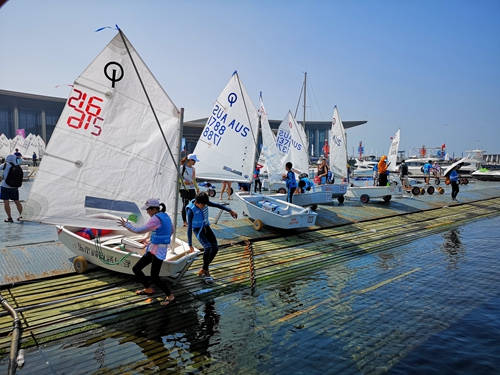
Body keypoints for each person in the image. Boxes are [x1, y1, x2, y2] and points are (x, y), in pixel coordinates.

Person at [117, 198, 176, 306]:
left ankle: (170, 296)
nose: (147, 212)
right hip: (153, 248)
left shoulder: (155, 219)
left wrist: (127, 225)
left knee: (154, 277)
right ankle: (148, 289)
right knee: (136, 268)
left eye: (147, 209)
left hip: (159, 251)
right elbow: (172, 230)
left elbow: (139, 230)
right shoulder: (165, 216)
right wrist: (161, 238)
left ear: (153, 209)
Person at [186, 192, 237, 284]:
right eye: (203, 205)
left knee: (215, 248)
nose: (205, 206)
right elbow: (189, 228)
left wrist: (230, 210)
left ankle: (204, 267)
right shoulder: (191, 210)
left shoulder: (204, 202)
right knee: (208, 247)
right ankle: (206, 271)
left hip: (206, 227)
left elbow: (217, 205)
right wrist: (190, 244)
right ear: (197, 202)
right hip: (198, 229)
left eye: (206, 204)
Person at [179, 154, 200, 227]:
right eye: (194, 161)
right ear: (190, 160)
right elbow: (178, 179)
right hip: (184, 189)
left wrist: (197, 188)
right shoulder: (182, 168)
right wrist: (185, 182)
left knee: (194, 204)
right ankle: (184, 221)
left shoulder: (193, 169)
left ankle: (193, 220)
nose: (195, 162)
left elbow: (194, 179)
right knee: (185, 204)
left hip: (192, 189)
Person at [1, 154, 23, 223]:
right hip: (15, 187)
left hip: (5, 186)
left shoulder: (5, 165)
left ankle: (9, 218)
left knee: (6, 202)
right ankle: (22, 216)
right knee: (17, 201)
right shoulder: (17, 165)